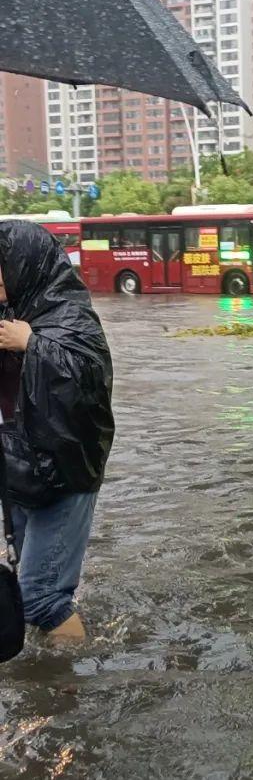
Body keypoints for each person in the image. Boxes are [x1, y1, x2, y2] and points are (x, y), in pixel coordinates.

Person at [0, 221, 114, 644]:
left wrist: (33, 345)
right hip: (20, 471)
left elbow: (90, 384)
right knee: (23, 584)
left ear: (21, 266)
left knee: (42, 598)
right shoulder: (11, 312)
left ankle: (70, 695)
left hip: (64, 474)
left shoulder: (71, 317)